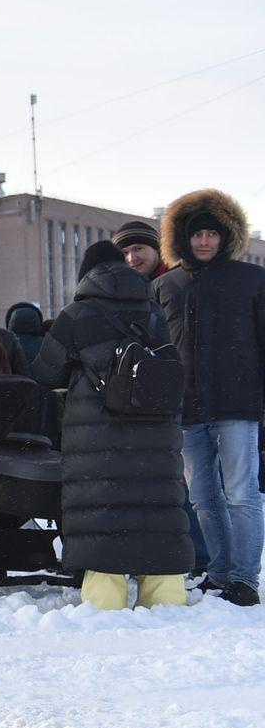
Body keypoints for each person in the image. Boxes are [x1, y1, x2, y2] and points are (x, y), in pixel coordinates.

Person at [30, 240, 192, 609]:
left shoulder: (77, 314)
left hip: (97, 437)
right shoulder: (153, 311)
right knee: (157, 510)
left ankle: (105, 602)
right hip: (155, 433)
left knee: (102, 513)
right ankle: (166, 598)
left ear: (87, 274)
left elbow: (43, 372)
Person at [153, 188, 265, 607]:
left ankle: (245, 578)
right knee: (203, 498)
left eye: (212, 234)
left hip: (239, 406)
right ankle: (219, 573)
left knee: (241, 494)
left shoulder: (252, 279)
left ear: (226, 237)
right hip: (186, 410)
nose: (204, 241)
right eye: (196, 234)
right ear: (182, 238)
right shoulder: (166, 286)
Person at [118, 216, 212, 582]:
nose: (131, 257)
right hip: (141, 399)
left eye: (138, 248)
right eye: (124, 251)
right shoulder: (124, 289)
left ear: (156, 249)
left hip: (179, 399)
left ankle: (200, 556)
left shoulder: (172, 284)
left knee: (182, 484)